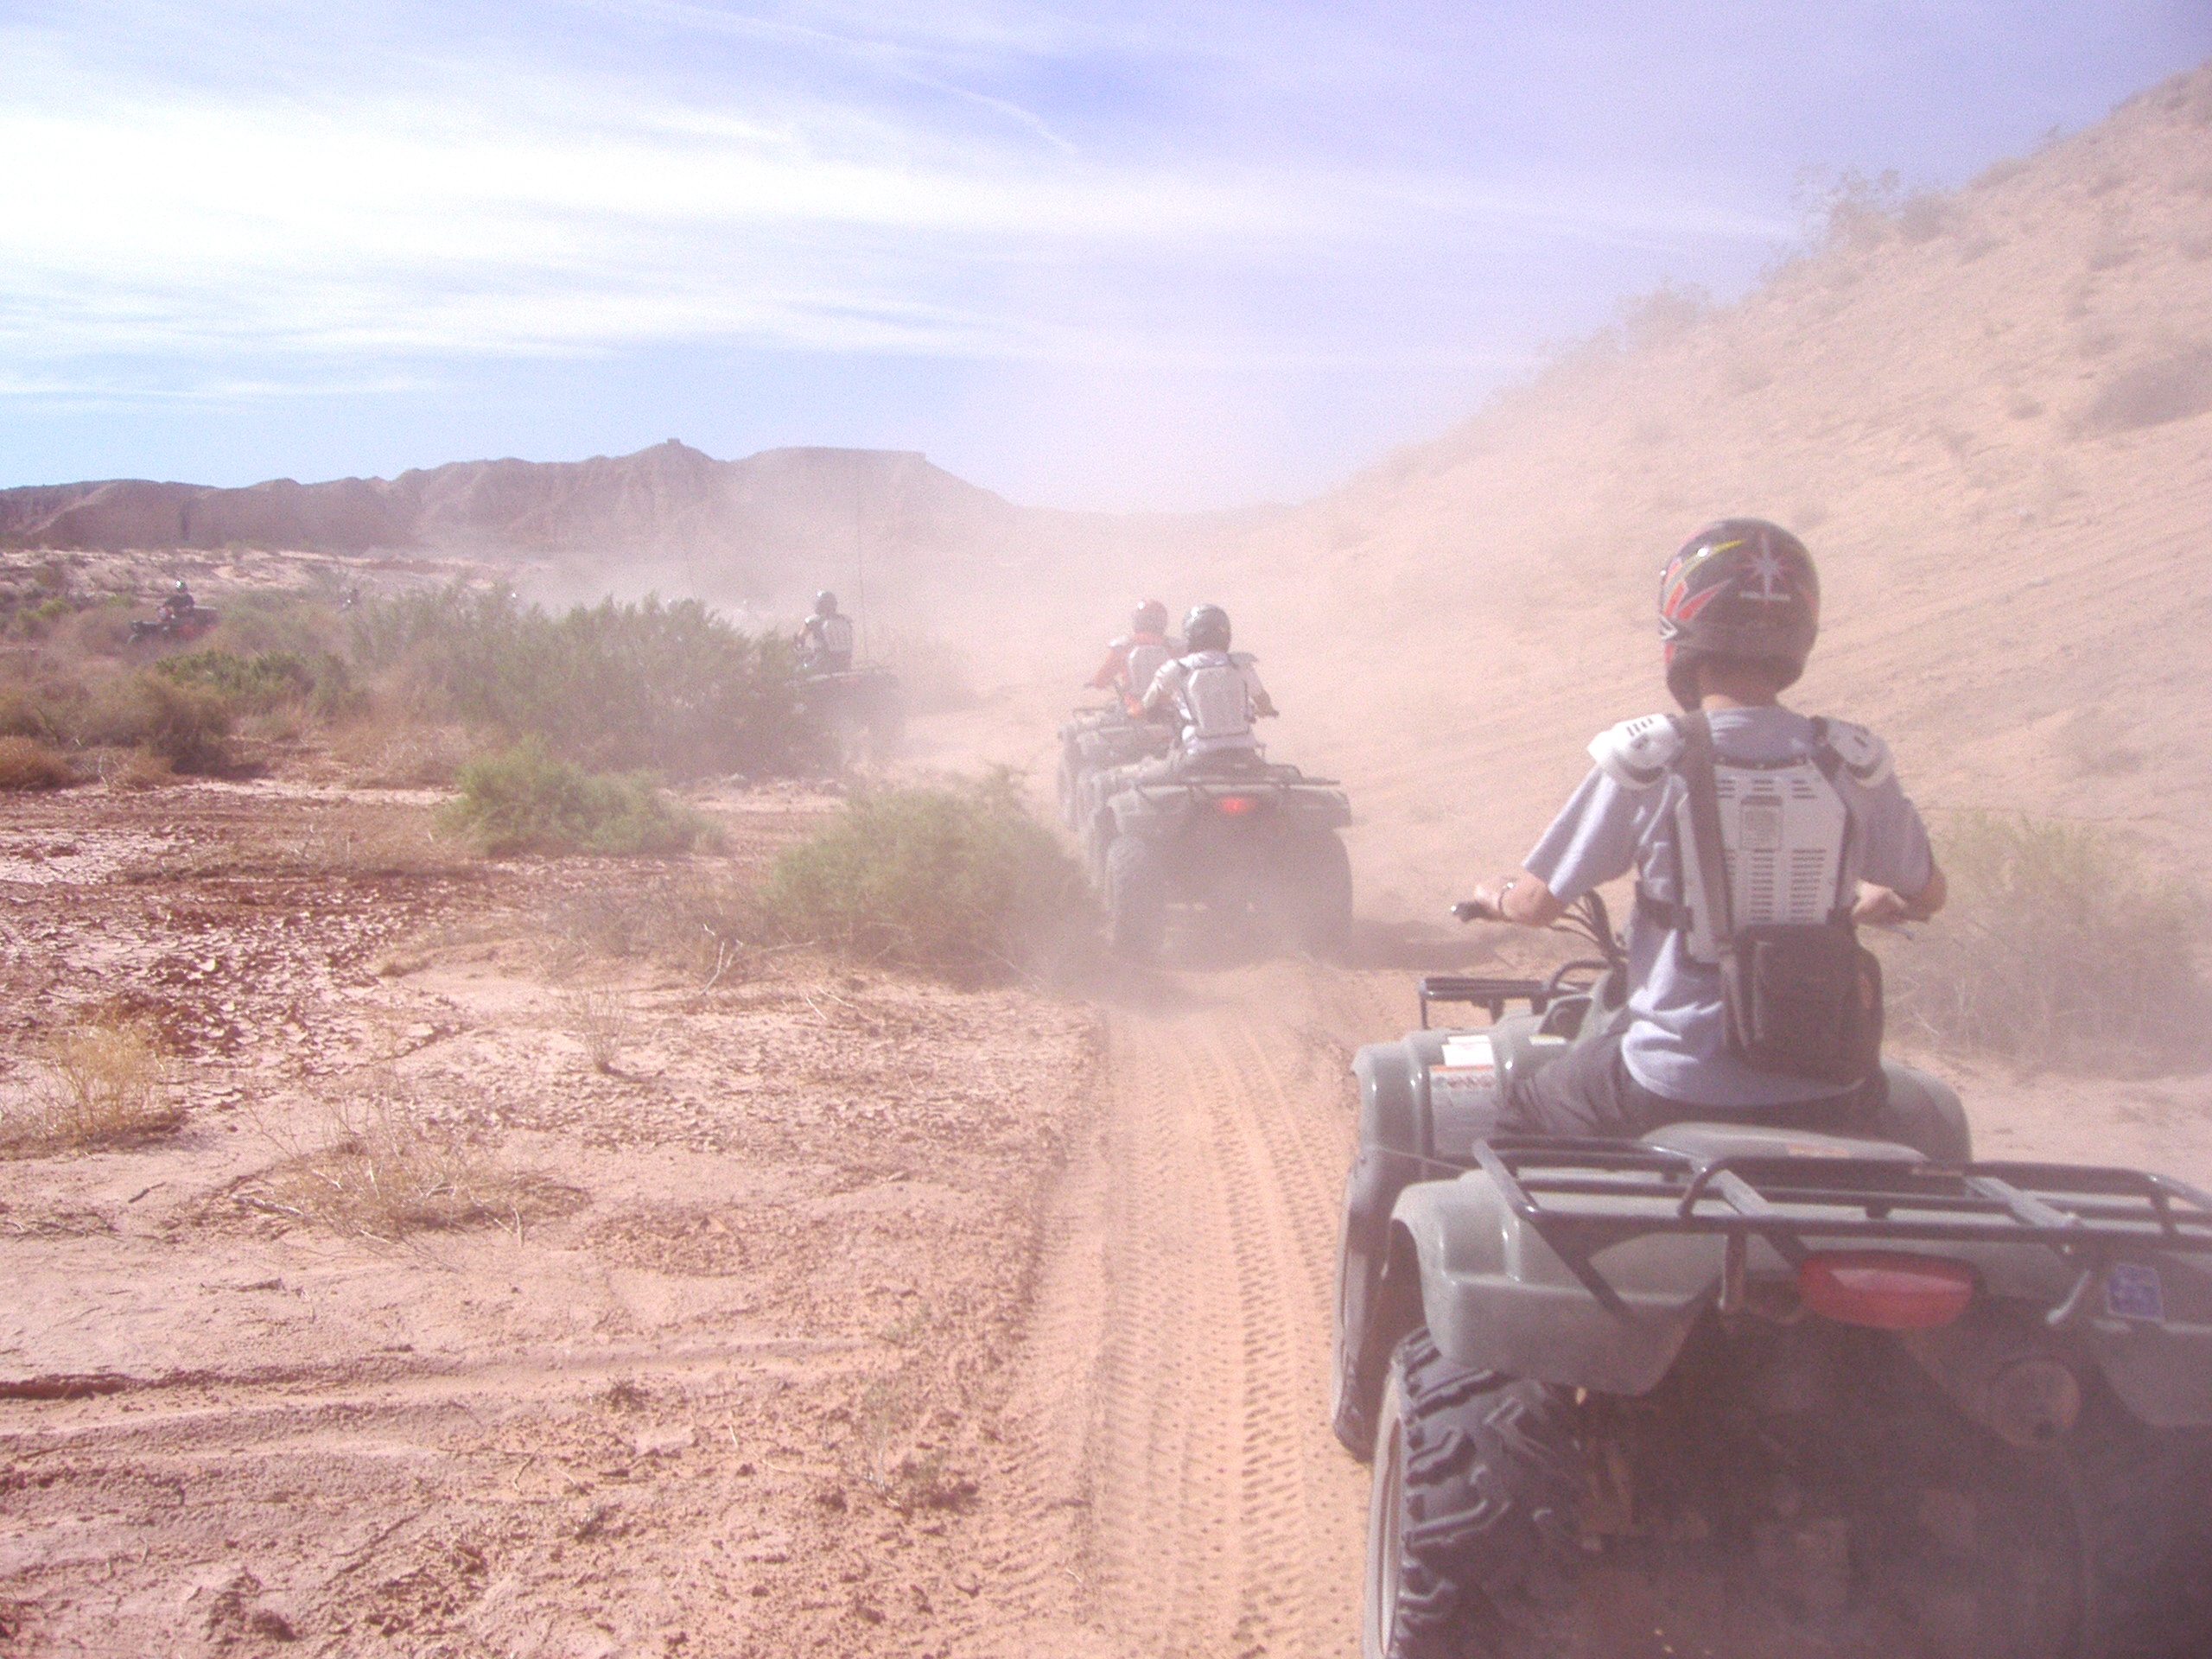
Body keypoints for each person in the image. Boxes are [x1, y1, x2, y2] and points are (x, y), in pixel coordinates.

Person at [1463, 519, 1946, 1141]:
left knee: (1519, 1115)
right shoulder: (1852, 762)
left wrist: (1492, 899)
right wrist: (1869, 903)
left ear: (1681, 627)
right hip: (1834, 1091)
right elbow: (1929, 894)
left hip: (1676, 1086)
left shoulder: (1651, 758)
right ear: (1799, 633)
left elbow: (1536, 904)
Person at [1137, 602, 1277, 767]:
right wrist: (1267, 710)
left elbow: (1147, 704)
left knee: (1142, 778)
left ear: (1189, 636)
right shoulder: (1240, 665)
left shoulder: (1177, 668)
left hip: (1196, 758)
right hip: (1245, 756)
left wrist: (1141, 712)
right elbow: (1262, 699)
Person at [1087, 600, 1174, 715]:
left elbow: (1101, 681)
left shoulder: (1123, 647)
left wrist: (1096, 682)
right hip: (1167, 709)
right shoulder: (1174, 647)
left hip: (1132, 708)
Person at [795, 590, 855, 673]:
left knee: (798, 671)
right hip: (846, 664)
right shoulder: (846, 619)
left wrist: (793, 643)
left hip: (823, 663)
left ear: (819, 605)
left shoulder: (813, 620)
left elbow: (800, 637)